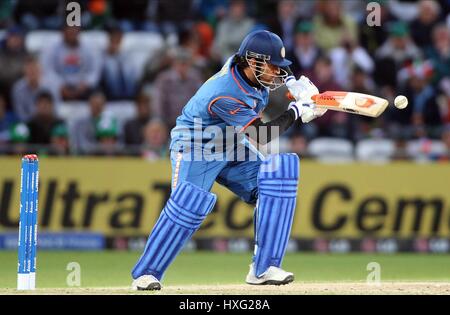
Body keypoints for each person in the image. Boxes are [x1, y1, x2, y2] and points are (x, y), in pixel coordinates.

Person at [131, 30, 326, 290]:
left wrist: (295, 86)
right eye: (273, 67)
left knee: (279, 174)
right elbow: (262, 134)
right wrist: (297, 110)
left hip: (232, 144)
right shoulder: (225, 92)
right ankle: (146, 274)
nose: (277, 73)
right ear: (254, 62)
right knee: (189, 204)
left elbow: (270, 74)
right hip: (195, 147)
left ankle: (264, 268)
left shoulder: (249, 68)